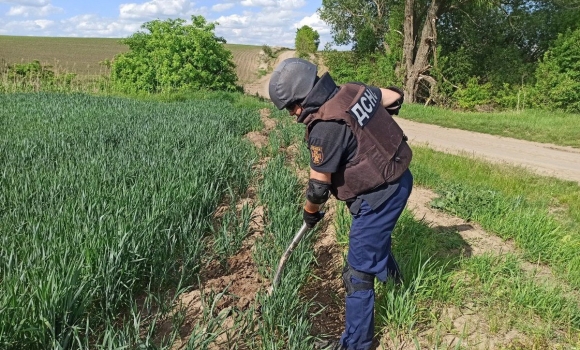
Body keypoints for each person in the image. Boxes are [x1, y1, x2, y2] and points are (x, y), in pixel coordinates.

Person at [268, 58, 413, 350]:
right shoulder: (352, 90)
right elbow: (395, 97)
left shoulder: (325, 127)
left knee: (357, 273)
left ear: (303, 96)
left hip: (378, 198)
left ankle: (356, 344)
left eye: (292, 107)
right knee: (375, 243)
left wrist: (310, 215)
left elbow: (318, 188)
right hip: (400, 179)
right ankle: (400, 287)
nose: (294, 114)